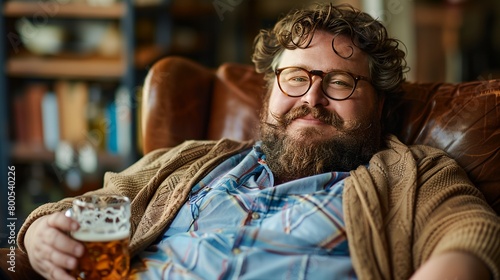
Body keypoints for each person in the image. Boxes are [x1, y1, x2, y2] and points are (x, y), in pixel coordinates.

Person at [18, 3, 500, 280]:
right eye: (294, 77)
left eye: (340, 82)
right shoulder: (187, 161)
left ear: (379, 103)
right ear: (268, 91)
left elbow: (469, 236)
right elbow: (90, 209)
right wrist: (37, 235)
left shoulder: (415, 175)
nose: (312, 97)